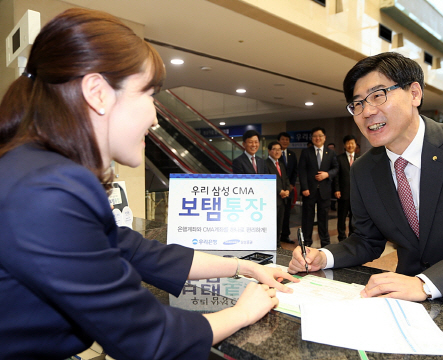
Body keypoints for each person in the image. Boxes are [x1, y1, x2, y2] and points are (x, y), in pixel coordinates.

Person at [0, 9, 298, 360]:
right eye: (148, 95)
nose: (155, 117)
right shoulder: (48, 190)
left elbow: (134, 251)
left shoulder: (38, 172)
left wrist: (244, 266)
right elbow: (146, 336)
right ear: (97, 93)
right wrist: (242, 312)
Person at [289, 52, 443, 302]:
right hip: (411, 302)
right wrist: (323, 256)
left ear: (414, 93)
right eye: (358, 104)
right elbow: (366, 239)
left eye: (378, 95)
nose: (367, 112)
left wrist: (426, 284)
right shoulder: (364, 170)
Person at [297, 127, 338, 247]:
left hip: (324, 191)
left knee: (323, 219)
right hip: (309, 191)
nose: (317, 138)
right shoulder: (306, 152)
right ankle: (306, 242)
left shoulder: (330, 153)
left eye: (320, 136)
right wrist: (304, 188)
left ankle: (325, 243)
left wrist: (327, 174)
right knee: (307, 218)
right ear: (312, 138)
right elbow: (302, 171)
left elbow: (336, 168)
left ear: (324, 138)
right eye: (315, 136)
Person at [333, 135, 359, 241]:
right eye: (348, 143)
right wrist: (337, 189)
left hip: (356, 195)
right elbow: (336, 176)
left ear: (355, 145)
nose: (350, 145)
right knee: (342, 217)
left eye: (352, 143)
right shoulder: (339, 158)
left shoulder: (360, 159)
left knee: (354, 217)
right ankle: (342, 237)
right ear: (344, 145)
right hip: (343, 193)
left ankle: (352, 236)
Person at [265, 141, 290, 247]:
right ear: (269, 151)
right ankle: (271, 244)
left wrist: (287, 190)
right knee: (271, 224)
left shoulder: (281, 164)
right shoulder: (265, 164)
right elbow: (267, 180)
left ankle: (277, 243)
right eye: (274, 149)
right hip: (272, 199)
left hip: (282, 200)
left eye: (279, 149)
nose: (277, 151)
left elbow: (286, 179)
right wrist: (279, 191)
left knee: (279, 224)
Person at [278, 132, 297, 244]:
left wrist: (291, 185)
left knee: (286, 214)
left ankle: (285, 235)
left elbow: (295, 171)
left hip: (288, 189)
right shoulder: (275, 154)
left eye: (287, 139)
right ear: (279, 141)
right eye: (283, 139)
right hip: (278, 191)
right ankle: (277, 236)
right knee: (278, 214)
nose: (285, 141)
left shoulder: (292, 154)